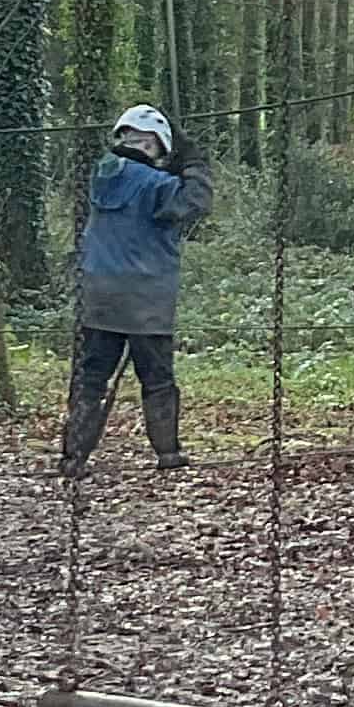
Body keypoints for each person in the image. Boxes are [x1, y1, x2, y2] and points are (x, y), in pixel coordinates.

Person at [63, 104, 214, 475]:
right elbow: (195, 203)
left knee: (91, 377)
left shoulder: (101, 174)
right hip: (148, 295)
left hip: (97, 291)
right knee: (158, 378)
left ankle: (73, 455)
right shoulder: (156, 186)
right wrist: (193, 165)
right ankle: (167, 452)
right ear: (151, 145)